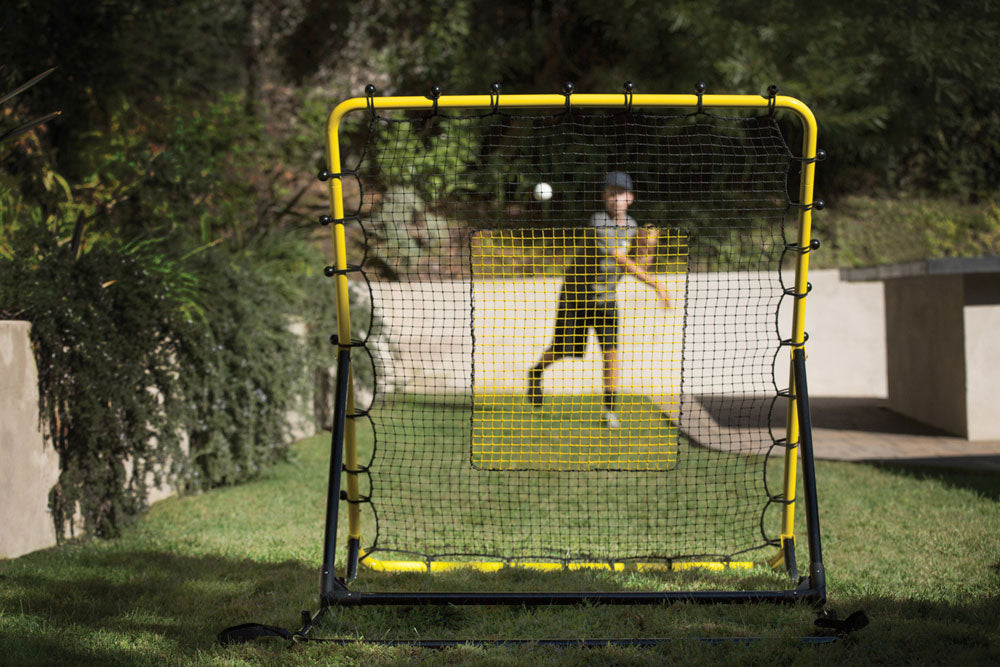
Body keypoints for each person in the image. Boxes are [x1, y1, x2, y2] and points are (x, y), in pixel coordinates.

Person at [527, 171, 670, 428]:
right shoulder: (599, 221)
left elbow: (639, 264)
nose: (616, 199)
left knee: (611, 354)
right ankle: (535, 372)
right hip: (576, 298)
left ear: (631, 198)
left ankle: (609, 410)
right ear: (604, 197)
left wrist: (648, 250)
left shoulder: (634, 228)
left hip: (606, 300)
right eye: (611, 193)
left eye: (621, 194)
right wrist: (656, 284)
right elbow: (620, 259)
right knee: (564, 350)